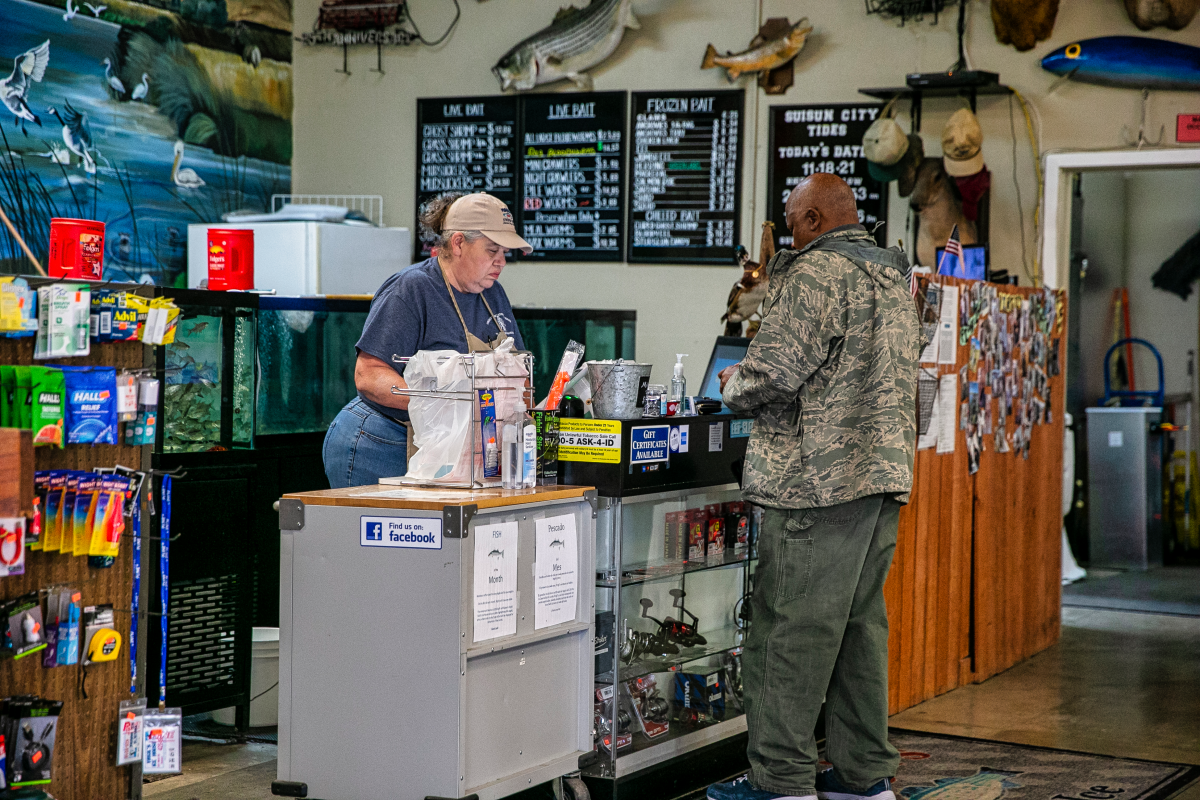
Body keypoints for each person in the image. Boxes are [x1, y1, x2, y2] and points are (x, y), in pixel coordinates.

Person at [708, 174, 924, 800]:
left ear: (809, 218)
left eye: (789, 216)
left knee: (787, 633)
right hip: (880, 479)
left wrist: (728, 383)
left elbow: (769, 375)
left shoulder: (816, 274)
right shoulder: (893, 275)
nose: (786, 228)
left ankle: (781, 783)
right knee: (858, 629)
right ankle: (863, 778)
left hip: (815, 485)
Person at [322, 192, 532, 488]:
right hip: (381, 442)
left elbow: (516, 376)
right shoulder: (411, 288)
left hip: (452, 452)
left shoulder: (493, 294)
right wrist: (445, 405)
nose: (501, 262)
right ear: (458, 243)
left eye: (505, 253)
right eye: (492, 250)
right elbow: (368, 375)